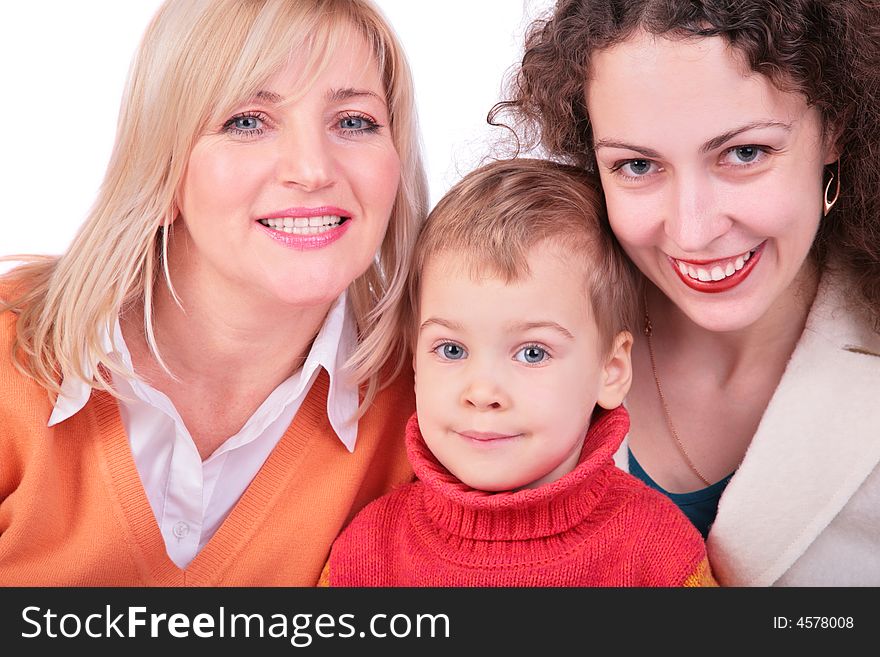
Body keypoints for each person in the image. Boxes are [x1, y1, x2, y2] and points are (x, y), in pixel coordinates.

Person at [0, 0, 427, 586]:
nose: (312, 170)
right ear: (164, 166)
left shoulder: (440, 401)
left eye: (354, 121)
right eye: (247, 121)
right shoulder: (9, 352)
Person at [493, 0, 880, 585]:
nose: (692, 230)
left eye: (745, 153)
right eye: (637, 166)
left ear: (836, 128)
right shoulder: (514, 317)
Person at [324, 158, 716, 586]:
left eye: (532, 353)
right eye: (451, 349)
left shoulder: (658, 552)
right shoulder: (367, 553)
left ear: (612, 369)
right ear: (416, 359)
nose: (482, 391)